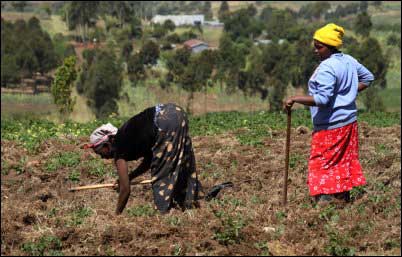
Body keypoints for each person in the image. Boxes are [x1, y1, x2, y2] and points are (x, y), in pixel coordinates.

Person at [284, 23, 375, 205]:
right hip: (349, 122)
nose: (316, 51)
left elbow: (323, 99)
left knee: (321, 163)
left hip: (330, 126)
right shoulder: (348, 60)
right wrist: (347, 93)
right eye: (315, 46)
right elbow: (368, 77)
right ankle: (342, 198)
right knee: (342, 161)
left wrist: (295, 98)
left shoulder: (327, 68)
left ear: (331, 46)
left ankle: (326, 203)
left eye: (320, 47)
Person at [84, 103, 202, 214]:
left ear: (107, 143)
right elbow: (149, 161)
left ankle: (164, 213)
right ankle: (191, 203)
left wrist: (116, 215)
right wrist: (130, 177)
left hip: (163, 121)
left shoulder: (118, 147)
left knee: (161, 175)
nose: (102, 157)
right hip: (176, 112)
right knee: (184, 164)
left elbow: (125, 189)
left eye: (100, 152)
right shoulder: (129, 136)